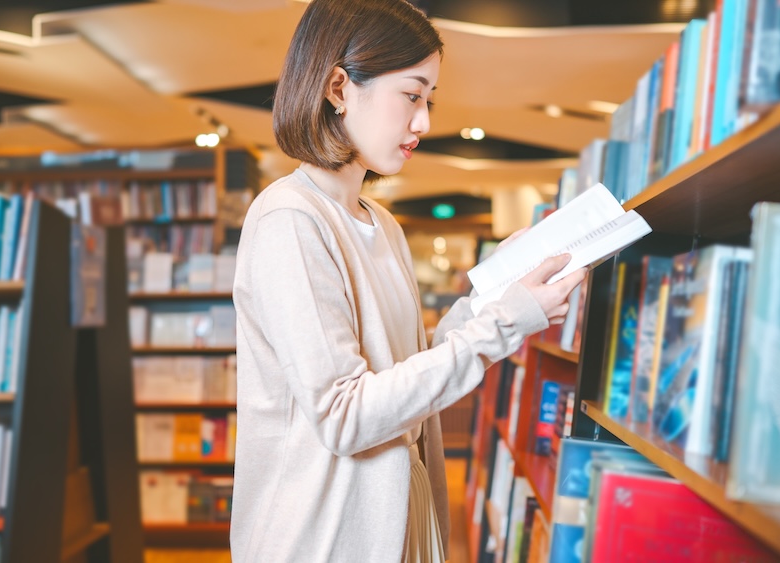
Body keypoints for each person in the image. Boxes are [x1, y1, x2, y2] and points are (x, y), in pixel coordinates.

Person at [229, 0, 586, 561]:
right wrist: (501, 323)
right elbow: (346, 415)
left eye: (429, 100)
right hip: (327, 537)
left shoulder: (384, 226)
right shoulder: (290, 220)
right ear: (339, 89)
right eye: (412, 95)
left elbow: (402, 380)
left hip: (400, 520)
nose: (424, 122)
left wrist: (490, 296)